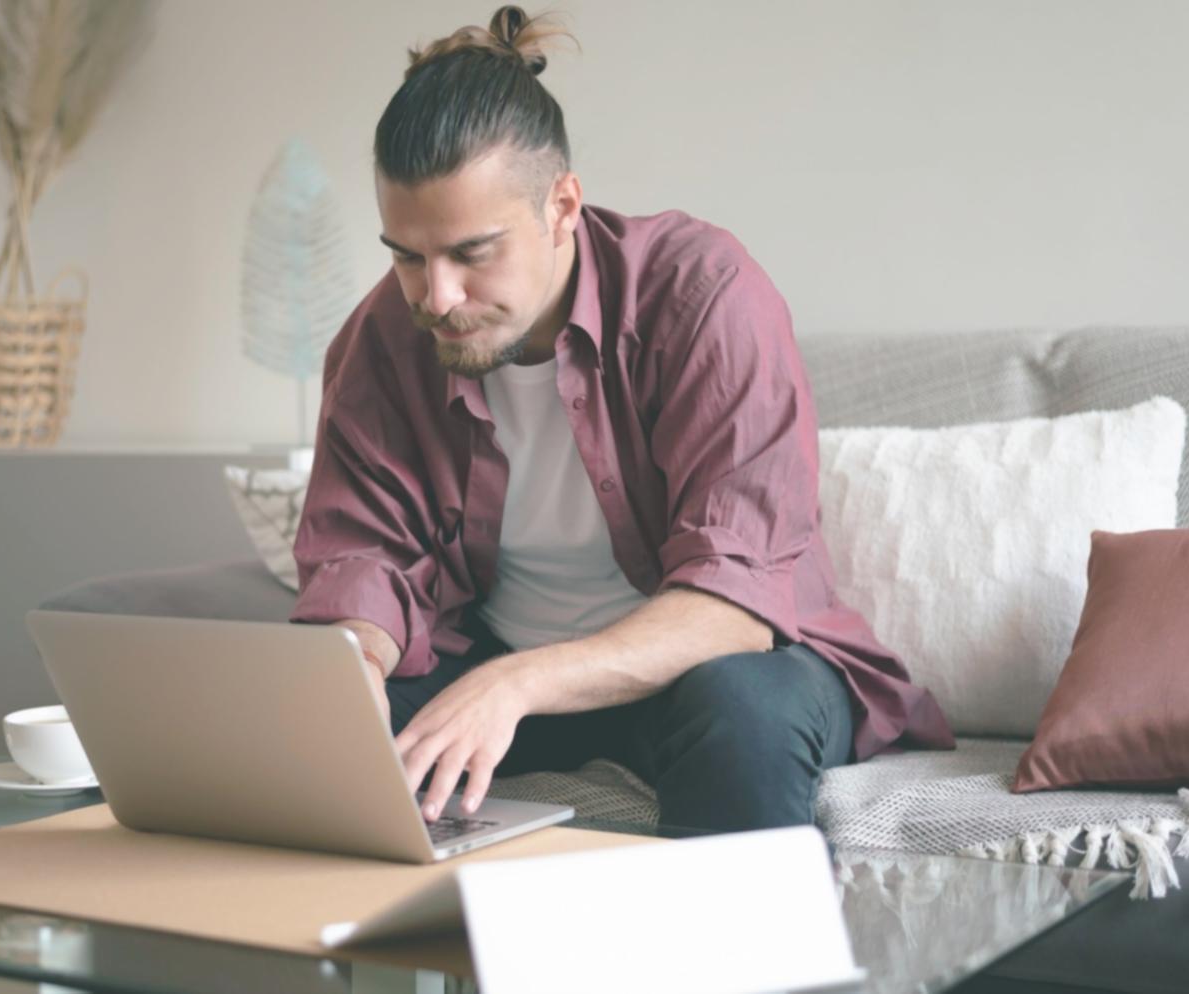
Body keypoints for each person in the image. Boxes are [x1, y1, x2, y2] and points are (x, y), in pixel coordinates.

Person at [290, 5, 953, 834]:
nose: (436, 296)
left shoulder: (702, 296)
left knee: (740, 711)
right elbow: (365, 564)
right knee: (317, 746)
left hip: (723, 665)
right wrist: (349, 679)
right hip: (496, 660)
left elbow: (733, 603)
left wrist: (517, 684)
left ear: (562, 207)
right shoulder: (383, 340)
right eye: (406, 255)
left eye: (471, 252)